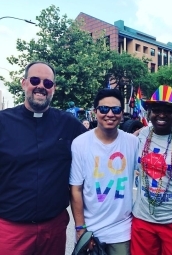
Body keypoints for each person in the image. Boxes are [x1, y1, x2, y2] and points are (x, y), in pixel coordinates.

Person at [0, 61, 87, 255]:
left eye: (47, 83)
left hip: (53, 229)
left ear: (53, 89)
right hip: (10, 230)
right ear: (24, 83)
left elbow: (97, 146)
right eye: (34, 80)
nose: (41, 86)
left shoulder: (68, 124)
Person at [70, 88, 139, 255]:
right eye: (103, 109)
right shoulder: (80, 143)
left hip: (122, 230)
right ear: (95, 112)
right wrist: (81, 228)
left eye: (116, 109)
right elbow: (76, 189)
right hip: (90, 229)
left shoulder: (133, 142)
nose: (110, 114)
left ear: (122, 114)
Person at [131, 85, 172, 255]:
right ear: (149, 113)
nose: (162, 114)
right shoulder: (140, 135)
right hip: (142, 219)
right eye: (156, 110)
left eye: (168, 110)